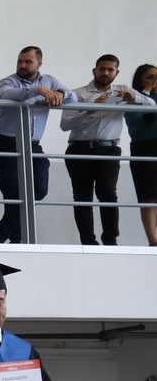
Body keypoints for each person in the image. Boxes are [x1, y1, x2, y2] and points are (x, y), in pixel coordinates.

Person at [61, 54, 154, 246]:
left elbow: (152, 105)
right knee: (82, 196)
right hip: (79, 148)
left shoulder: (122, 91)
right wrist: (89, 109)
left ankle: (111, 240)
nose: (105, 73)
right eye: (102, 69)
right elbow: (65, 124)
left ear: (116, 73)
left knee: (108, 193)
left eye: (110, 70)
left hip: (109, 149)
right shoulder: (77, 93)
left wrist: (133, 97)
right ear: (94, 71)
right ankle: (88, 242)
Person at [0, 47, 75, 244]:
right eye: (20, 61)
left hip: (33, 145)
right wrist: (38, 90)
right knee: (15, 195)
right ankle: (17, 241)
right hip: (5, 144)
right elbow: (6, 94)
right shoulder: (8, 81)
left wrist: (59, 93)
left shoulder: (49, 80)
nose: (22, 65)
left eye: (28, 61)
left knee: (39, 190)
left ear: (39, 64)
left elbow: (73, 96)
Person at [124, 63, 157, 247]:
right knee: (148, 196)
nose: (154, 81)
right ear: (140, 80)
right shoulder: (132, 96)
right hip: (144, 147)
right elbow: (134, 119)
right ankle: (153, 241)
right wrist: (145, 93)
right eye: (149, 77)